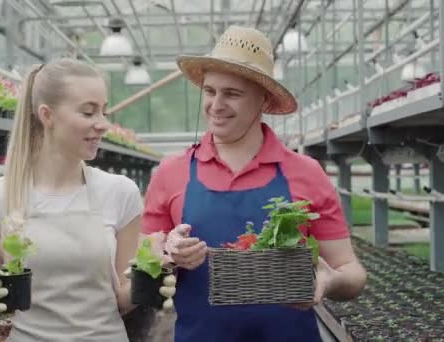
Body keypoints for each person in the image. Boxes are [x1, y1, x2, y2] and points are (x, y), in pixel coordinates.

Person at [142, 26, 368, 341]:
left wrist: (329, 281)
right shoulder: (171, 172)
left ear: (263, 100)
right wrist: (167, 254)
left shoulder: (306, 172)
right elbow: (142, 262)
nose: (216, 105)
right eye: (210, 91)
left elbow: (352, 274)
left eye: (231, 93)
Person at [0, 59, 175, 341]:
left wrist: (150, 284)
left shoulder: (119, 192)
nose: (102, 124)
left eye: (103, 111)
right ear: (47, 115)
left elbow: (122, 300)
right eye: (88, 112)